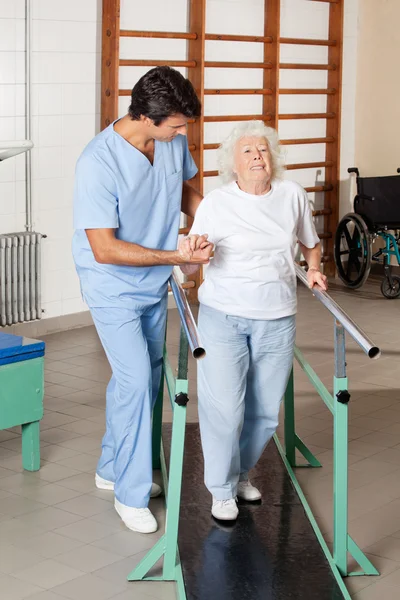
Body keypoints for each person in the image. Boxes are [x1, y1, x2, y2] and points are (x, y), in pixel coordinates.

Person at [72, 66, 213, 534]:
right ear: (147, 117)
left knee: (143, 378)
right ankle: (130, 495)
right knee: (136, 383)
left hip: (154, 282)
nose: (181, 132)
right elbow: (104, 248)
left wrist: (212, 224)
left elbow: (187, 191)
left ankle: (111, 467)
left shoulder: (171, 141)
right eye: (175, 124)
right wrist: (176, 253)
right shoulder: (98, 161)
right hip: (110, 285)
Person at [184, 121, 328, 521]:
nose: (256, 157)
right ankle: (221, 489)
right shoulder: (216, 203)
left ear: (273, 158)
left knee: (265, 411)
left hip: (277, 317)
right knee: (226, 409)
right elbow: (194, 259)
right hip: (223, 316)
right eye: (247, 151)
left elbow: (310, 244)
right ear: (232, 162)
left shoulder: (292, 195)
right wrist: (195, 256)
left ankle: (240, 473)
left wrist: (314, 269)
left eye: (263, 150)